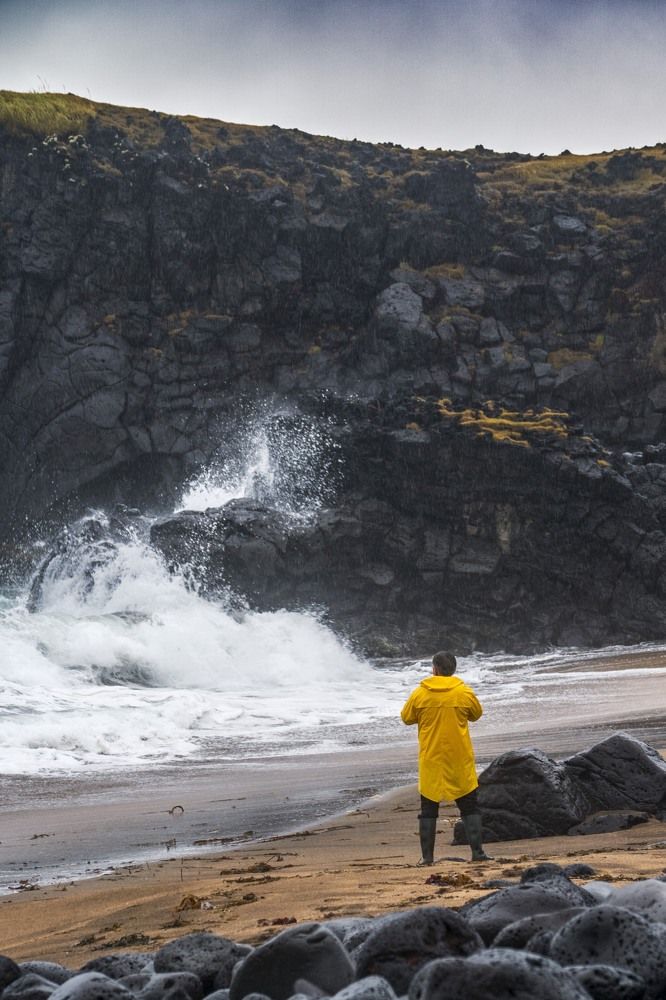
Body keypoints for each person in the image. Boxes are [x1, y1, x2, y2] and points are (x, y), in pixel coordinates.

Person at [400, 650, 490, 864]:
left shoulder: (420, 694)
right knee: (469, 805)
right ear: (453, 670)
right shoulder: (464, 692)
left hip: (432, 757)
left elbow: (406, 718)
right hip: (459, 756)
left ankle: (427, 858)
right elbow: (476, 714)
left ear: (435, 669)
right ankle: (478, 853)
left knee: (429, 807)